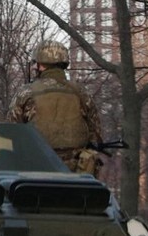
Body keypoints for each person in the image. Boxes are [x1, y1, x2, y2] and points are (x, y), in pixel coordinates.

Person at [8, 40, 104, 177]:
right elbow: (96, 135)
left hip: (36, 173)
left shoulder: (26, 93)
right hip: (77, 175)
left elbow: (11, 133)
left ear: (41, 66)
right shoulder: (81, 93)